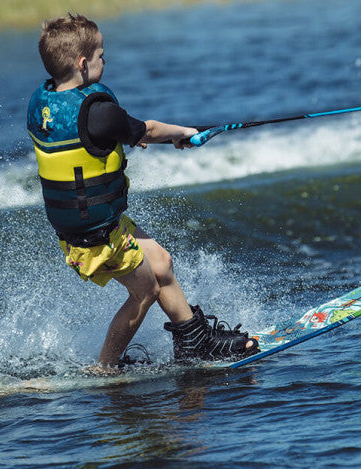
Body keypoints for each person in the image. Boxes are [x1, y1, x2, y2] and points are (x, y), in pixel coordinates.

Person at [26, 14, 257, 374]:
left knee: (161, 262)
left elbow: (97, 140)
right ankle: (104, 368)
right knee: (145, 290)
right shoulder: (99, 112)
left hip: (91, 225)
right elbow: (146, 130)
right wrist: (184, 132)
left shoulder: (42, 103)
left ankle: (195, 343)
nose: (106, 60)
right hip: (96, 235)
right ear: (83, 63)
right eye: (102, 55)